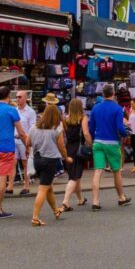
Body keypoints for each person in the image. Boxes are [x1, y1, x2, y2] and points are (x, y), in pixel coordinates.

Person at [26, 98, 70, 226]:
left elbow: (28, 143)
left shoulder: (34, 127)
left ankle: (56, 210)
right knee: (43, 189)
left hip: (37, 159)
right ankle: (35, 217)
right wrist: (66, 157)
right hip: (49, 161)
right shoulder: (56, 129)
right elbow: (62, 146)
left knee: (48, 186)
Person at [0, 86, 28, 219]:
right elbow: (21, 132)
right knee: (3, 178)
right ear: (8, 95)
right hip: (6, 148)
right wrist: (28, 144)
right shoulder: (11, 110)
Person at [88, 85, 130, 210]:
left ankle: (95, 201)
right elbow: (120, 128)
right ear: (113, 94)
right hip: (112, 142)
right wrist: (125, 133)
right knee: (116, 171)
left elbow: (91, 128)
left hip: (98, 142)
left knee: (98, 171)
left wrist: (93, 138)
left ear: (103, 94)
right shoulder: (117, 109)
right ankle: (121, 197)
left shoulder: (95, 108)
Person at [61, 97, 91, 211]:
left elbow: (63, 135)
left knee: (74, 174)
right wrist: (91, 143)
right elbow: (86, 133)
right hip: (78, 148)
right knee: (74, 177)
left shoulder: (65, 119)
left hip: (68, 147)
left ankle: (80, 199)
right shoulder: (83, 118)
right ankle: (66, 201)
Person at [10, 91, 37, 196]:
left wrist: (29, 142)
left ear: (25, 98)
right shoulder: (14, 110)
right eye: (16, 97)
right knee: (13, 162)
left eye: (20, 97)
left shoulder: (30, 112)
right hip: (13, 138)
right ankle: (10, 186)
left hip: (24, 139)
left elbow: (32, 127)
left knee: (25, 163)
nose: (17, 99)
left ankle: (26, 186)